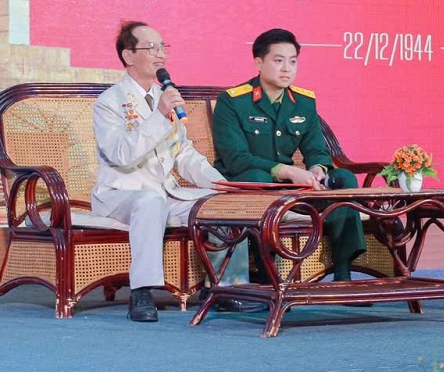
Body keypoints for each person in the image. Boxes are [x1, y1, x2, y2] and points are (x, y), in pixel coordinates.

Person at [92, 21, 259, 322]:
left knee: (218, 204)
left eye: (163, 47)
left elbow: (184, 154)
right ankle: (141, 291)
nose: (160, 54)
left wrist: (220, 185)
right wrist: (158, 115)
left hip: (165, 193)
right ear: (128, 56)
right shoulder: (110, 102)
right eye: (151, 48)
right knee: (149, 201)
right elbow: (121, 155)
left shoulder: (165, 96)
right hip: (120, 194)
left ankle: (225, 288)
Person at [211, 28, 366, 282]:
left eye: (293, 61)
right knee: (258, 177)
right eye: (278, 60)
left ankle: (343, 271)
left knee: (344, 179)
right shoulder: (233, 101)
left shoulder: (303, 102)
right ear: (258, 63)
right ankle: (267, 273)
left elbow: (317, 149)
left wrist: (318, 169)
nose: (287, 69)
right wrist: (287, 171)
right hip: (247, 183)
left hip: (288, 187)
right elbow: (235, 158)